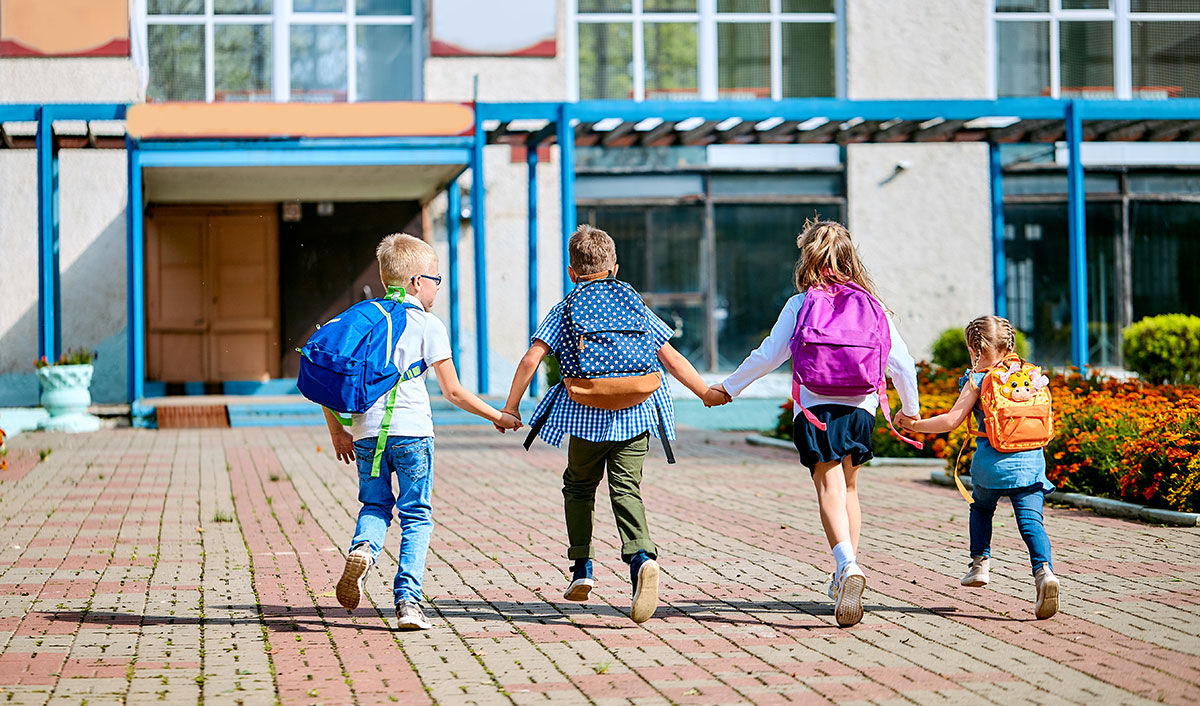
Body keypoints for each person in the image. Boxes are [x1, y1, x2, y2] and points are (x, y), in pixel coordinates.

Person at [499, 224, 717, 624]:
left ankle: (582, 568)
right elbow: (669, 357)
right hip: (637, 411)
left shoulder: (566, 307)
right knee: (626, 488)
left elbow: (532, 358)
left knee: (579, 486)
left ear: (572, 271)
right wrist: (704, 391)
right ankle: (639, 557)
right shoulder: (634, 303)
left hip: (586, 415)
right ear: (615, 267)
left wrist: (511, 408)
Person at [707, 219, 920, 627]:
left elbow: (769, 355)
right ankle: (845, 573)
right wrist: (909, 411)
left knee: (828, 485)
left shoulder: (801, 303)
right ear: (851, 257)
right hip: (860, 408)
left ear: (808, 257)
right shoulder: (874, 306)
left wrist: (729, 388)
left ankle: (846, 565)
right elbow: (903, 364)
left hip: (815, 407)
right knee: (850, 486)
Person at [324, 233, 521, 630]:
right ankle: (408, 603)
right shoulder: (428, 324)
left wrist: (338, 431)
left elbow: (325, 374)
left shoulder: (359, 320)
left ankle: (363, 549)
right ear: (416, 281)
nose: (436, 287)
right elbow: (453, 390)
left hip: (365, 433)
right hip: (412, 432)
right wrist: (496, 416)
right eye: (435, 279)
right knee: (415, 515)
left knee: (375, 506)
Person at [897, 315, 1060, 619]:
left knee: (982, 508)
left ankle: (979, 565)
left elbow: (951, 421)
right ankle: (1045, 573)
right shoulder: (1031, 376)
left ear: (976, 349)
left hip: (992, 467)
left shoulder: (979, 378)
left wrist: (914, 424)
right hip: (1032, 463)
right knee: (1031, 522)